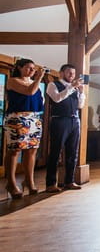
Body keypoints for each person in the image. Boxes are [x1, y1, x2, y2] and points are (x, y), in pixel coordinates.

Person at [4, 58, 45, 198]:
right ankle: (11, 182)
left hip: (33, 118)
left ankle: (29, 181)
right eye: (28, 68)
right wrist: (38, 79)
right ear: (20, 68)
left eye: (33, 68)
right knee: (15, 150)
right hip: (17, 118)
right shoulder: (13, 81)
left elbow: (38, 99)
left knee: (32, 150)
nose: (32, 71)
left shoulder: (34, 83)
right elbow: (29, 92)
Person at [46, 64, 86, 192]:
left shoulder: (74, 88)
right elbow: (57, 99)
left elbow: (80, 106)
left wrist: (81, 92)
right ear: (61, 73)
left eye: (73, 74)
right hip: (59, 120)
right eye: (69, 73)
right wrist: (71, 87)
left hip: (75, 120)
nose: (72, 76)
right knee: (55, 152)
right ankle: (51, 183)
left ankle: (69, 181)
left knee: (72, 152)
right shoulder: (53, 85)